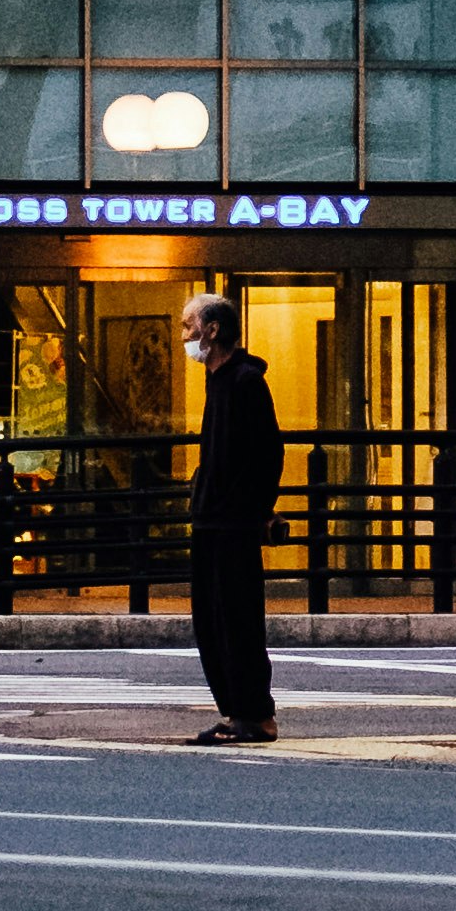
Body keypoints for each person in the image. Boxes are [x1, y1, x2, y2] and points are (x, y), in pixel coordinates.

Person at [182, 290, 282, 744]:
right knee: (213, 619)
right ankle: (235, 709)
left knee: (237, 617)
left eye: (189, 326)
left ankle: (254, 713)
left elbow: (267, 454)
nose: (186, 336)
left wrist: (252, 509)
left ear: (213, 329)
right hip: (212, 518)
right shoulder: (219, 380)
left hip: (232, 521)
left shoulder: (244, 381)